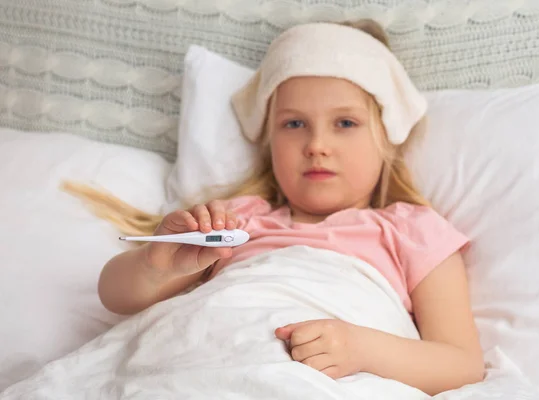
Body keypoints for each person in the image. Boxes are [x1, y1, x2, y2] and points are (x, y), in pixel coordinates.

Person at [63, 19, 484, 396]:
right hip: (201, 356)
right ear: (269, 142)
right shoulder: (237, 218)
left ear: (386, 136)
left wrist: (361, 348)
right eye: (294, 123)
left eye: (346, 123)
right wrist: (158, 264)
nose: (317, 145)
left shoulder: (412, 229)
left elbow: (462, 365)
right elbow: (114, 296)